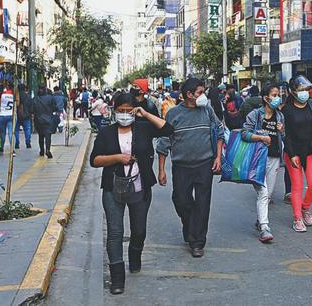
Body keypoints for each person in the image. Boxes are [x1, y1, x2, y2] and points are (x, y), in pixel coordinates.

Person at [90, 93, 173, 295]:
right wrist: (117, 158)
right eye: (121, 110)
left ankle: (135, 255)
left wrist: (144, 113)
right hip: (112, 189)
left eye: (129, 110)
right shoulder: (106, 133)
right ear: (114, 110)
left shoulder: (142, 129)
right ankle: (117, 278)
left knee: (139, 231)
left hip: (140, 188)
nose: (125, 114)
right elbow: (94, 160)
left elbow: (168, 129)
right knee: (115, 233)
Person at [157, 78, 224, 258]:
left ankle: (197, 242)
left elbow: (219, 131)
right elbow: (164, 142)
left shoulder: (207, 111)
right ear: (189, 95)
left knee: (202, 204)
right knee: (181, 200)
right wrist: (161, 169)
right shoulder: (173, 114)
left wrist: (218, 157)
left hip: (205, 164)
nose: (203, 96)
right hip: (181, 167)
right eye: (199, 92)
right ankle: (190, 226)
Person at [241, 85, 284, 243]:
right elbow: (244, 133)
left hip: (274, 158)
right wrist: (261, 138)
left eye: (278, 94)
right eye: (274, 94)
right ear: (266, 98)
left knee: (269, 192)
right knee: (263, 193)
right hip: (257, 158)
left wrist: (281, 130)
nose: (278, 97)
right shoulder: (255, 114)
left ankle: (260, 220)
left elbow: (282, 137)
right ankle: (265, 227)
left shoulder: (279, 115)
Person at [282, 75, 312, 233]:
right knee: (297, 186)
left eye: (307, 89)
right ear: (293, 92)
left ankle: (305, 207)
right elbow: (286, 135)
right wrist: (291, 154)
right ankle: (297, 217)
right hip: (294, 152)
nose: (305, 93)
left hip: (310, 151)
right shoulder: (287, 110)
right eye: (301, 90)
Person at [32, 88, 58, 159]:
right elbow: (55, 108)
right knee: (48, 136)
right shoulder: (50, 98)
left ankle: (42, 150)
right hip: (48, 119)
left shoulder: (35, 99)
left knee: (41, 135)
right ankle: (48, 150)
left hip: (38, 120)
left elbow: (32, 109)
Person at [0, 83, 15, 153]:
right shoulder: (13, 95)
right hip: (10, 116)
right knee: (10, 133)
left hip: (1, 116)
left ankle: (1, 147)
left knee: (2, 133)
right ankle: (12, 149)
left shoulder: (1, 94)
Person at [15, 84, 33, 149]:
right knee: (27, 129)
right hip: (26, 116)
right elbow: (31, 107)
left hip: (17, 115)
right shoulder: (28, 97)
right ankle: (28, 142)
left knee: (16, 130)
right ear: (25, 89)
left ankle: (16, 143)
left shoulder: (16, 97)